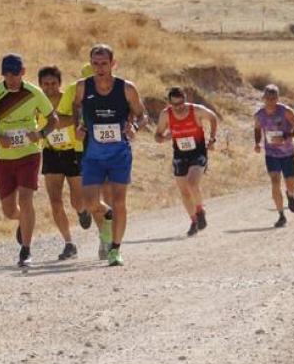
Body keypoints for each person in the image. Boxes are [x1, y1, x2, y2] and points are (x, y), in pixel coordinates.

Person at [0, 54, 57, 269]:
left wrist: (40, 134)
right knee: (9, 211)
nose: (11, 79)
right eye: (7, 74)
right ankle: (23, 220)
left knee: (26, 199)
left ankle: (26, 250)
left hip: (29, 154)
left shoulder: (34, 92)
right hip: (2, 157)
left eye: (15, 74)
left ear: (23, 72)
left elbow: (53, 119)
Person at [74, 44, 146, 267]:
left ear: (113, 64)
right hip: (92, 154)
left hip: (119, 154)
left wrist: (135, 127)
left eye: (104, 63)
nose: (99, 68)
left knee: (119, 201)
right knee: (89, 202)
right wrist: (79, 125)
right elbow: (76, 108)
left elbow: (142, 115)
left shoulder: (126, 88)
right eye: (95, 64)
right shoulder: (82, 87)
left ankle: (115, 249)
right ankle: (109, 219)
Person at [38, 66, 103, 261]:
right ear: (40, 85)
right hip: (51, 151)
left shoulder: (69, 98)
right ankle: (68, 243)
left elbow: (72, 120)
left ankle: (82, 211)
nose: (50, 87)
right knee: (55, 201)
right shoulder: (36, 103)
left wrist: (53, 123)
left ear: (60, 83)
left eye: (53, 83)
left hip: (73, 152)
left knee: (77, 200)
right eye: (45, 84)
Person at [152, 87, 218, 237]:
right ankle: (194, 221)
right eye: (175, 104)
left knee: (192, 183)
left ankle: (200, 210)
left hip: (198, 152)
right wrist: (163, 138)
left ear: (185, 99)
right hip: (180, 155)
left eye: (181, 103)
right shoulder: (165, 115)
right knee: (184, 192)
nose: (179, 107)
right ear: (169, 103)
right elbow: (157, 135)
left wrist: (212, 139)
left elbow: (213, 117)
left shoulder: (196, 110)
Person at [254, 84, 294, 228]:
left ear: (277, 98)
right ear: (263, 98)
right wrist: (257, 143)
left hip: (287, 153)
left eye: (273, 98)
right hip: (271, 154)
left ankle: (290, 195)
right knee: (275, 181)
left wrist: (288, 136)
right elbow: (257, 129)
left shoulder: (286, 111)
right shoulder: (259, 115)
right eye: (268, 98)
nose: (270, 101)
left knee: (290, 184)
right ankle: (281, 215)